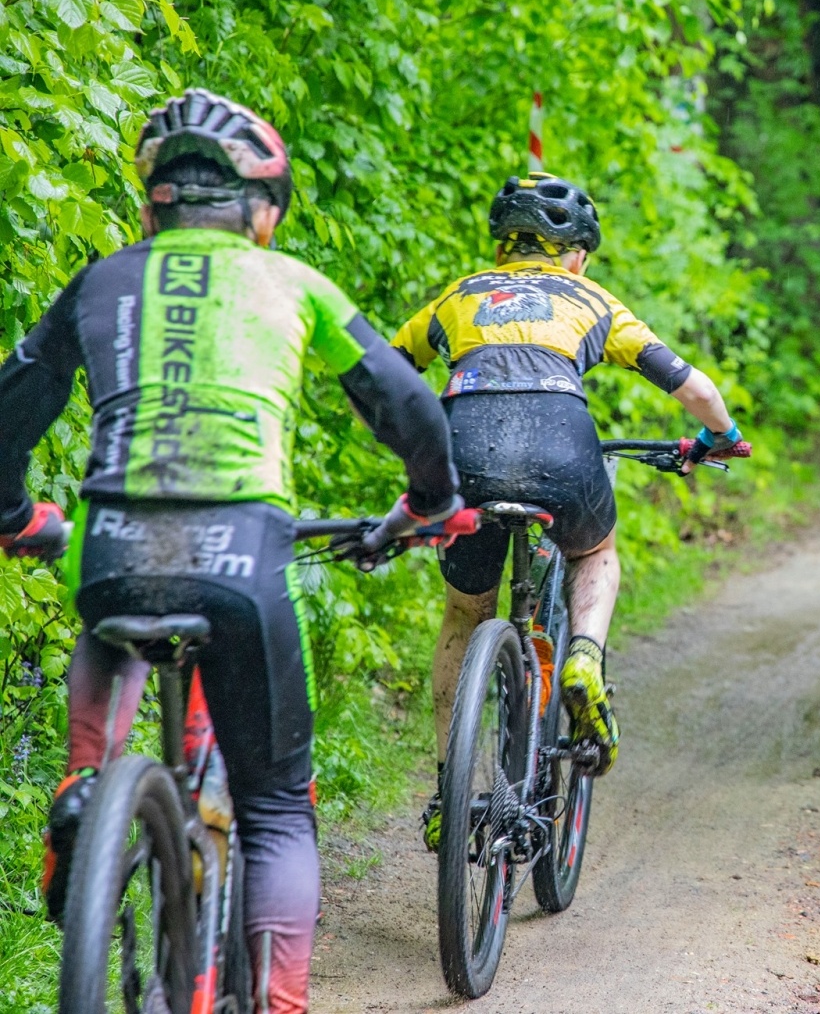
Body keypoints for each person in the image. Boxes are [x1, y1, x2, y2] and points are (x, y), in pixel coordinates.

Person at [0, 89, 463, 1014]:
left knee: (108, 608)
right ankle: (281, 1002)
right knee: (279, 806)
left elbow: (12, 406)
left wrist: (15, 517)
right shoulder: (294, 283)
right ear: (263, 213)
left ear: (153, 207)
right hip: (243, 558)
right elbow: (408, 405)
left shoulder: (100, 282)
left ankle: (85, 790)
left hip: (112, 546)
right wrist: (432, 503)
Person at [391, 173, 746, 849]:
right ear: (576, 254)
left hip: (466, 450)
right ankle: (583, 657)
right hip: (562, 444)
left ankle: (447, 794)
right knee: (596, 551)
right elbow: (695, 388)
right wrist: (720, 437)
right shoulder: (592, 300)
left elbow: (387, 370)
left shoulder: (460, 297)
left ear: (502, 248)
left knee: (465, 613)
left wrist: (414, 444)